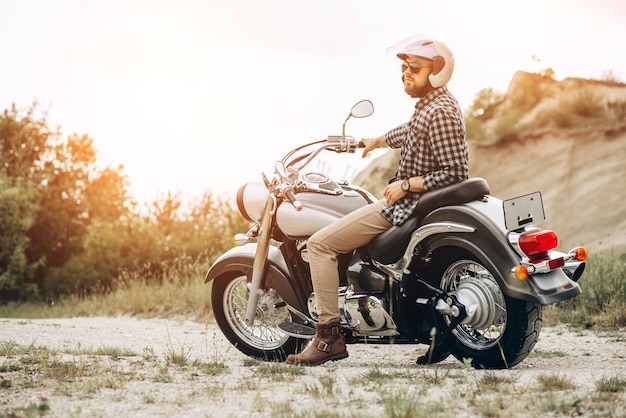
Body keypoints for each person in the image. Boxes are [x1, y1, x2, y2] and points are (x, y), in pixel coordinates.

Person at [286, 35, 469, 366]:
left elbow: (456, 171)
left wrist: (408, 185)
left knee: (320, 245)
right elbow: (413, 130)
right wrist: (378, 140)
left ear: (438, 70)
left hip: (404, 207)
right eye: (403, 67)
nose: (405, 73)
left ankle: (328, 339)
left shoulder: (440, 111)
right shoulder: (432, 106)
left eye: (414, 67)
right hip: (412, 204)